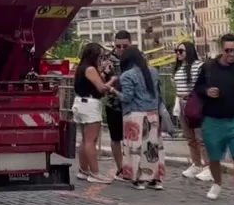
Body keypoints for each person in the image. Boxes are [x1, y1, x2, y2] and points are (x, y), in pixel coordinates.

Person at [193, 33, 234, 205]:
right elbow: (197, 88)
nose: (232, 54)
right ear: (221, 50)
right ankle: (217, 183)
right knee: (214, 157)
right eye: (228, 50)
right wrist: (207, 91)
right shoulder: (208, 67)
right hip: (212, 120)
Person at [118, 47, 165, 190]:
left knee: (135, 148)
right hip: (152, 113)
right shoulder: (153, 71)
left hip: (135, 114)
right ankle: (155, 178)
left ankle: (137, 179)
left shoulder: (127, 75)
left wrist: (113, 91)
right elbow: (158, 93)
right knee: (152, 148)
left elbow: (127, 97)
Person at [71, 43, 116, 184]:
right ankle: (94, 173)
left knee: (84, 140)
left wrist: (102, 72)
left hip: (80, 103)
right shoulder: (90, 69)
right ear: (94, 56)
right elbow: (102, 88)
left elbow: (91, 81)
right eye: (100, 56)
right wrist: (113, 80)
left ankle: (83, 170)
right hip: (90, 104)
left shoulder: (82, 67)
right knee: (91, 141)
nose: (101, 59)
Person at [172, 41, 209, 180]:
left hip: (195, 103)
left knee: (201, 138)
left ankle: (209, 166)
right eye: (177, 51)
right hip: (181, 103)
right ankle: (197, 163)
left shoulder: (199, 66)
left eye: (181, 51)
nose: (178, 54)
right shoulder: (180, 67)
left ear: (189, 51)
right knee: (190, 138)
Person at [102, 31, 132, 179]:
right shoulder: (108, 59)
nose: (121, 49)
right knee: (116, 138)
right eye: (118, 46)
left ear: (130, 44)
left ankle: (130, 165)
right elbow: (101, 82)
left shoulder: (136, 58)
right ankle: (121, 168)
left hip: (132, 104)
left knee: (132, 138)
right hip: (113, 104)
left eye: (124, 46)